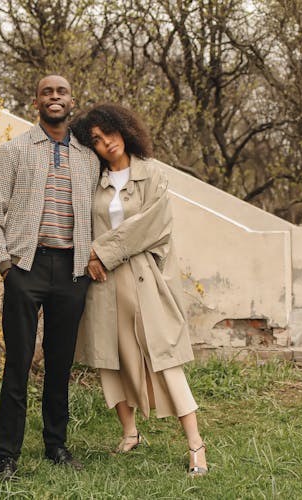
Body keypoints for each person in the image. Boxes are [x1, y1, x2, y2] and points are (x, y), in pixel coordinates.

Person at [70, 103, 208, 477]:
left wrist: (101, 250)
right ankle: (130, 433)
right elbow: (80, 225)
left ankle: (196, 443)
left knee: (163, 358)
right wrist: (88, 255)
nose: (105, 143)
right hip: (103, 284)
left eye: (108, 133)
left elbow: (154, 225)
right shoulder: (93, 182)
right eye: (95, 140)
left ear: (124, 130)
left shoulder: (152, 175)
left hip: (143, 279)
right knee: (110, 360)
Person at [0, 75, 100, 482]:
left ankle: (56, 446)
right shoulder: (15, 150)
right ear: (36, 101)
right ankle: (7, 456)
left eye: (61, 92)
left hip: (71, 272)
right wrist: (5, 267)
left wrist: (89, 264)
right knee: (17, 364)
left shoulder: (88, 157)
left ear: (71, 100)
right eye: (47, 92)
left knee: (60, 364)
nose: (54, 97)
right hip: (26, 269)